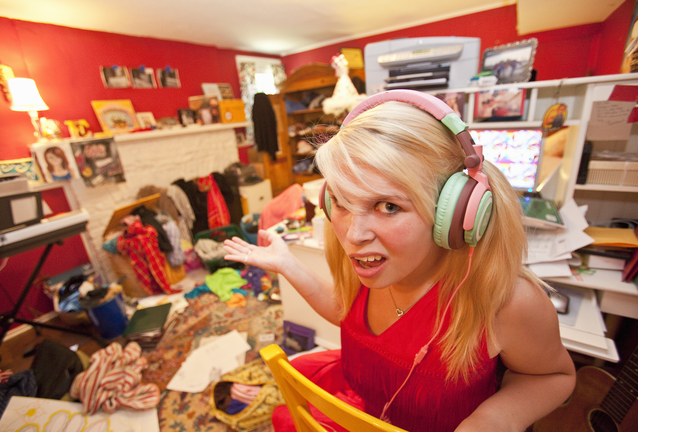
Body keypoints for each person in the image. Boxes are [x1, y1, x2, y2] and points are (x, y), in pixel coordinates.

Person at [223, 90, 575, 431]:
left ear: (454, 214)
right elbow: (349, 317)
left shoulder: (510, 302)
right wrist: (288, 264)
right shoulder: (370, 261)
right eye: (343, 203)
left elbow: (552, 375)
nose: (353, 234)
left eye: (388, 206)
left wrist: (497, 418)